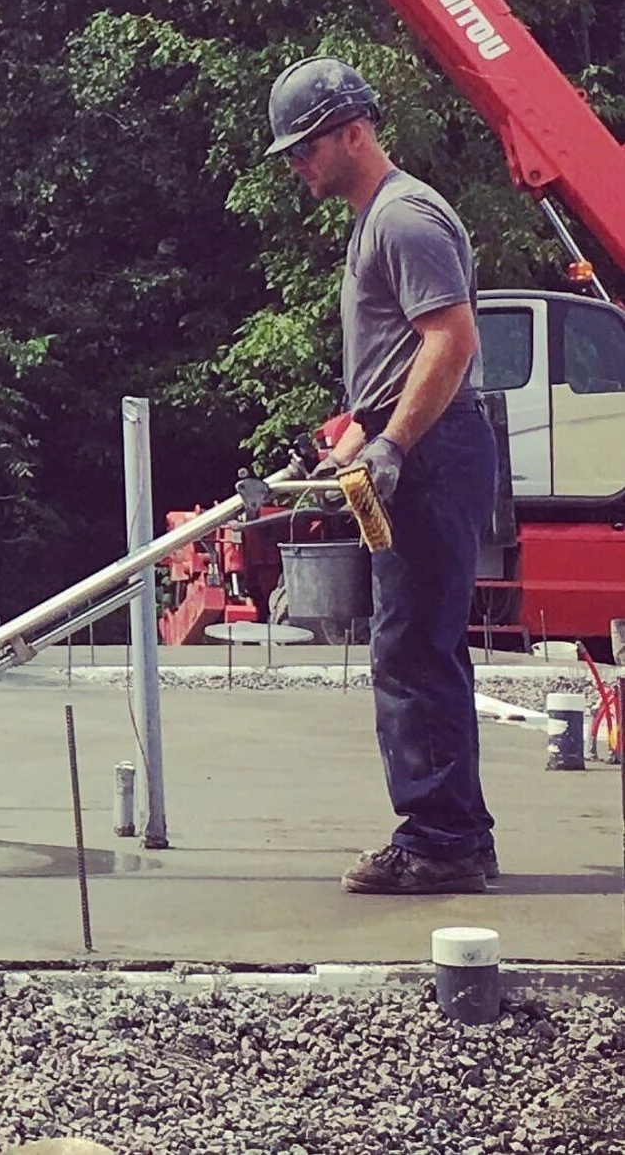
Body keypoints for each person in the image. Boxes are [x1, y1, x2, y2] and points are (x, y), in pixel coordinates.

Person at [265, 55, 498, 894]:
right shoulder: (377, 220)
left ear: (355, 130)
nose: (298, 163)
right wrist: (356, 432)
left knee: (411, 651)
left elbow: (451, 341)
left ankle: (440, 841)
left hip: (432, 456)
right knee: (422, 647)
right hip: (418, 447)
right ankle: (456, 830)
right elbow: (406, 355)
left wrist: (393, 446)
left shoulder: (403, 217)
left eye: (307, 147)